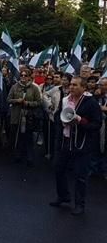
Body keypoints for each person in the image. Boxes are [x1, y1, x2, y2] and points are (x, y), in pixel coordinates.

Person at [50, 77, 102, 215]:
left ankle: (80, 204)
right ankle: (63, 196)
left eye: (75, 85)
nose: (71, 87)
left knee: (80, 175)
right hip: (66, 141)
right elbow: (57, 116)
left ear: (83, 88)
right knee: (58, 169)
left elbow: (97, 124)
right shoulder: (65, 100)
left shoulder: (91, 103)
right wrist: (61, 122)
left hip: (82, 144)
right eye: (71, 85)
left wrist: (80, 121)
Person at [7, 69, 42, 166]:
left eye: (25, 75)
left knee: (28, 137)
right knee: (17, 136)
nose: (23, 77)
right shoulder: (14, 87)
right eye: (21, 75)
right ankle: (17, 155)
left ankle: (29, 157)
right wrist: (16, 101)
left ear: (29, 77)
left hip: (29, 117)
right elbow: (8, 99)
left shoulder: (34, 88)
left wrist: (28, 103)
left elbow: (39, 102)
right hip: (16, 116)